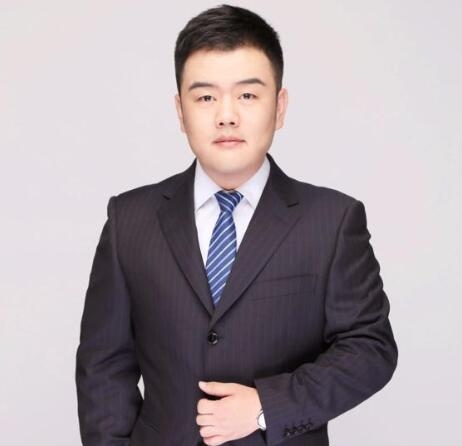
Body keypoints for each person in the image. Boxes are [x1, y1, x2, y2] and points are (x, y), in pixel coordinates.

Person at [75, 5, 398, 446]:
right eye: (205, 97)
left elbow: (370, 349)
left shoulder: (332, 221)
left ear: (279, 107)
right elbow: (103, 367)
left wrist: (268, 406)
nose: (226, 116)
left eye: (247, 95)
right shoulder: (129, 219)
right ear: (180, 111)